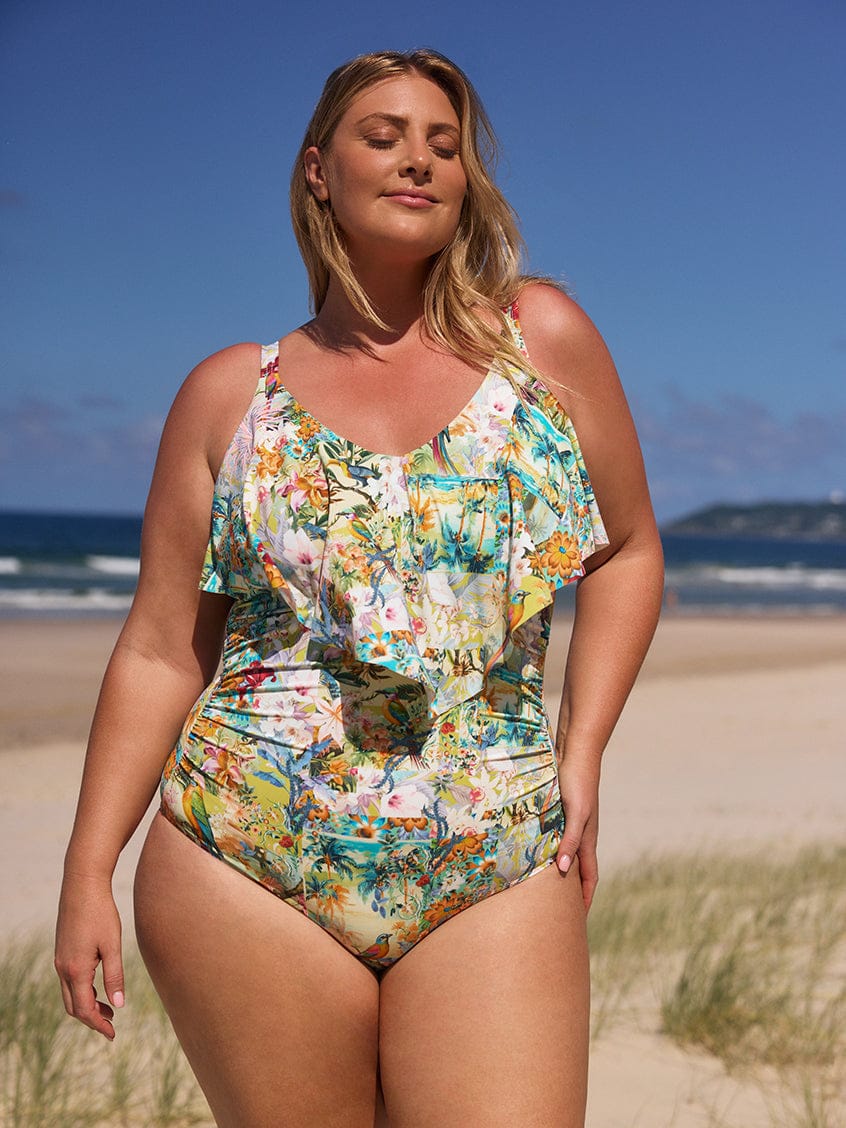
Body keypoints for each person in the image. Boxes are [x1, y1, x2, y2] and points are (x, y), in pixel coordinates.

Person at [55, 48, 664, 1128]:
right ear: (318, 171)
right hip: (245, 851)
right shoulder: (230, 397)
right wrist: (87, 869)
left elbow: (624, 550)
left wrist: (583, 751)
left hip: (494, 846)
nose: (418, 160)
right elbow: (160, 647)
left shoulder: (539, 344)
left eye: (444, 145)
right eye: (384, 136)